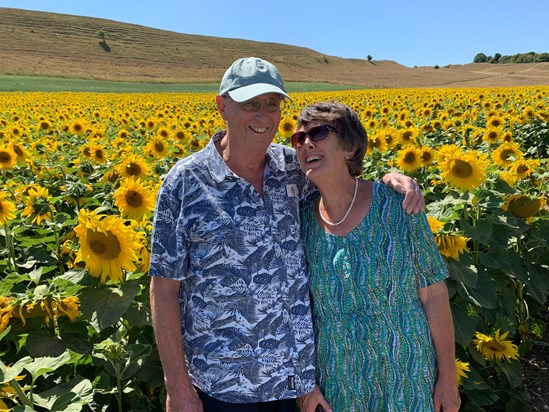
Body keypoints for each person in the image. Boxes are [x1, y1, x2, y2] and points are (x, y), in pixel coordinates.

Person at [148, 57, 424, 412]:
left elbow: (344, 183)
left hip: (294, 385)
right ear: (222, 105)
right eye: (250, 104)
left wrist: (390, 181)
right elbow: (164, 288)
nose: (263, 116)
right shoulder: (186, 183)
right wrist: (178, 388)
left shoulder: (293, 169)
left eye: (273, 104)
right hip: (223, 387)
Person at [293, 101, 460, 412]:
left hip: (407, 374)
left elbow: (434, 295)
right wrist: (304, 386)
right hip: (339, 383)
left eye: (317, 132)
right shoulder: (300, 223)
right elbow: (296, 313)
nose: (306, 144)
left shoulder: (398, 206)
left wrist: (448, 378)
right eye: (298, 139)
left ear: (350, 147)